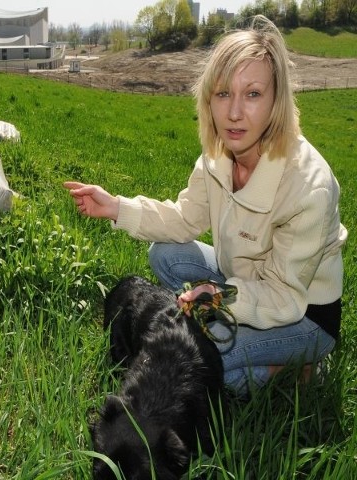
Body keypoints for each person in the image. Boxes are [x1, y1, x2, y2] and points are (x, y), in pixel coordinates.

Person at [63, 15, 347, 395]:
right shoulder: (218, 154)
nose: (233, 113)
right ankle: (229, 328)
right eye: (222, 93)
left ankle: (295, 366)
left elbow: (284, 296)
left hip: (303, 314)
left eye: (253, 94)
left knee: (200, 366)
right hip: (241, 279)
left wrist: (219, 298)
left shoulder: (308, 186)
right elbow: (183, 219)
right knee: (164, 253)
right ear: (208, 98)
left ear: (276, 99)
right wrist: (116, 206)